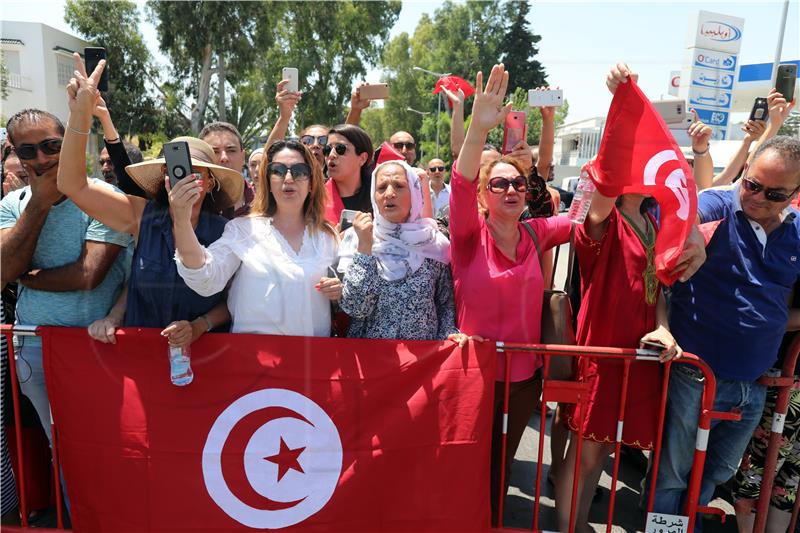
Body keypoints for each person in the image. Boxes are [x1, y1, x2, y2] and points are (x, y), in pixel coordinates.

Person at [649, 115, 800, 520]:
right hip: (695, 374)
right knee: (673, 473)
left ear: (794, 194)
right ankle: (665, 529)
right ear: (746, 172)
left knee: (716, 472)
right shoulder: (720, 203)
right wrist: (693, 235)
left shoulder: (798, 234)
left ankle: (686, 524)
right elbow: (685, 214)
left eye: (774, 193)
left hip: (753, 383)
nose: (756, 197)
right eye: (752, 184)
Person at [448, 64, 573, 526]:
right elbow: (459, 182)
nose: (511, 189)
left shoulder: (539, 233)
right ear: (484, 197)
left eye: (517, 183)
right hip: (472, 376)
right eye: (498, 183)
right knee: (469, 461)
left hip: (524, 378)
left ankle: (495, 521)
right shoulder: (466, 235)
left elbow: (584, 214)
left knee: (502, 467)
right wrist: (478, 128)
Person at [55, 54, 238, 350]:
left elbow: (233, 299)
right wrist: (81, 115)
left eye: (197, 173)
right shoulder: (142, 217)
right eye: (177, 170)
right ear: (163, 177)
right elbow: (71, 184)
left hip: (206, 360)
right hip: (140, 356)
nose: (186, 180)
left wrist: (199, 326)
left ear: (211, 182)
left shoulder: (226, 232)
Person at [0, 106, 131, 448]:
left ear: (68, 143)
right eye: (28, 151)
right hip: (33, 352)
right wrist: (39, 204)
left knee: (104, 446)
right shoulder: (13, 205)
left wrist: (27, 278)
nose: (41, 157)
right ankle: (72, 505)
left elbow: (88, 274)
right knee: (60, 447)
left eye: (51, 146)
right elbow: (3, 271)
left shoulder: (107, 198)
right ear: (16, 154)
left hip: (96, 349)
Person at [174, 139, 341, 336]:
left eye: (300, 171)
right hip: (253, 360)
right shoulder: (242, 230)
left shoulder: (328, 237)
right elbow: (205, 277)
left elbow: (347, 298)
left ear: (312, 182)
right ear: (268, 181)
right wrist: (181, 219)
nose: (288, 178)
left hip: (311, 361)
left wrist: (338, 292)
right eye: (278, 170)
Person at [338, 159, 463, 343]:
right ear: (374, 195)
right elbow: (356, 307)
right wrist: (365, 249)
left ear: (414, 192)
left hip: (421, 362)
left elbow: (444, 304)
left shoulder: (433, 242)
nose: (389, 194)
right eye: (381, 187)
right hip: (370, 361)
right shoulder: (357, 237)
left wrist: (447, 337)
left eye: (398, 186)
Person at [732, 282, 800, 533]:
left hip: (789, 381)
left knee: (790, 477)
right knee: (759, 470)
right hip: (785, 378)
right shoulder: (793, 251)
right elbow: (776, 317)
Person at [199, 121, 255, 218]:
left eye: (231, 150)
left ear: (243, 157)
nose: (224, 158)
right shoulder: (191, 204)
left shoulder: (262, 204)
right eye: (215, 151)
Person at [324, 123, 374, 224]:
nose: (331, 155)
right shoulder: (315, 197)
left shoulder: (378, 197)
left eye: (340, 149)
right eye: (327, 149)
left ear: (362, 158)